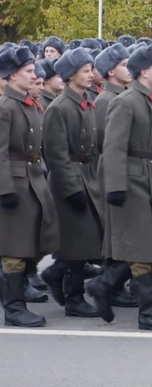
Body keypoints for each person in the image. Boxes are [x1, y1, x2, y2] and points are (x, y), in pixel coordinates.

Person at [88, 43, 152, 331]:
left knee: (149, 245)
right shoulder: (125, 102)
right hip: (130, 181)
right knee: (141, 249)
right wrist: (115, 186)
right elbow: (113, 148)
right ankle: (148, 313)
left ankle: (102, 286)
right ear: (144, 72)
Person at [0, 45, 60, 328]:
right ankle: (13, 308)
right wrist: (5, 188)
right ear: (11, 76)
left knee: (38, 239)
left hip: (33, 177)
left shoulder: (27, 103)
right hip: (14, 181)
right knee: (14, 247)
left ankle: (16, 290)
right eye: (27, 71)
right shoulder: (6, 107)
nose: (34, 74)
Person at [40, 47, 102, 318]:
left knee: (85, 239)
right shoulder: (59, 108)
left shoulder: (85, 101)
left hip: (87, 176)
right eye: (85, 71)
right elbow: (55, 154)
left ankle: (56, 274)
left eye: (90, 70)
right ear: (70, 74)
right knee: (77, 242)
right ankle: (74, 297)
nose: (90, 75)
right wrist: (71, 188)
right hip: (70, 180)